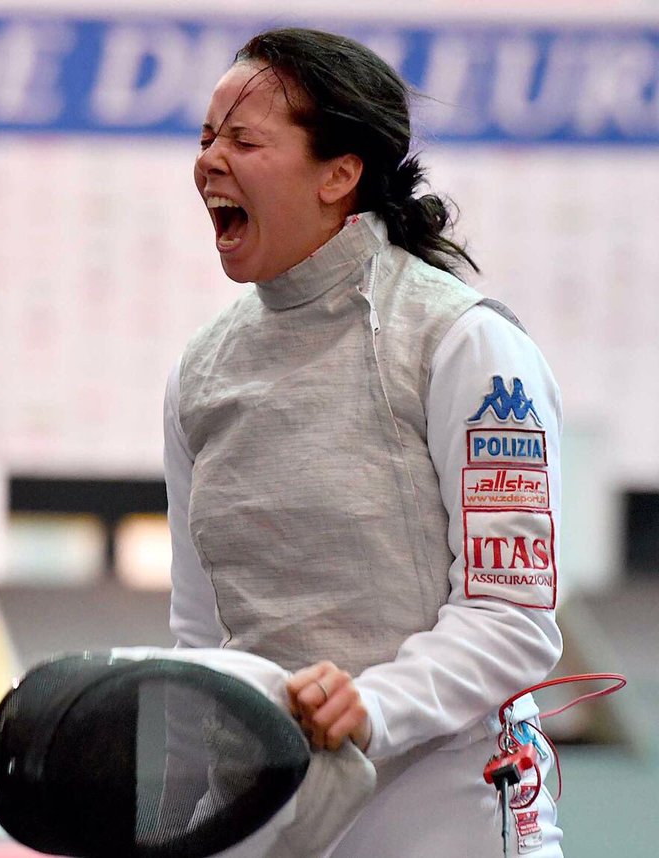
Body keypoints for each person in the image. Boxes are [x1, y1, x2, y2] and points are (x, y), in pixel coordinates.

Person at [164, 28, 562, 856]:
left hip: (443, 804)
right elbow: (200, 641)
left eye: (243, 140)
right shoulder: (201, 373)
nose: (209, 161)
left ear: (340, 174)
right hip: (262, 810)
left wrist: (374, 706)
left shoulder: (462, 343)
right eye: (206, 139)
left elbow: (512, 618)